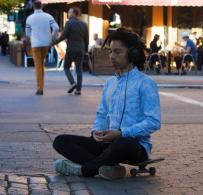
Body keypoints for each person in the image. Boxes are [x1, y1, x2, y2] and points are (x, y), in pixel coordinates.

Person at [53, 28, 161, 180]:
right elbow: (102, 114)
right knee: (61, 141)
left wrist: (122, 133)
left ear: (132, 54)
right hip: (107, 144)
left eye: (117, 52)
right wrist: (96, 132)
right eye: (110, 52)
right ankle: (107, 168)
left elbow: (153, 122)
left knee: (122, 143)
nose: (112, 56)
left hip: (133, 147)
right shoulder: (109, 83)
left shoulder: (146, 83)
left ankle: (84, 170)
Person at [52, 7, 89, 95]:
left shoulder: (69, 23)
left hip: (71, 49)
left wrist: (54, 42)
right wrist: (86, 50)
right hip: (81, 49)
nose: (68, 14)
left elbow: (63, 36)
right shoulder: (84, 24)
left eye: (69, 12)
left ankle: (72, 83)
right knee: (79, 69)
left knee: (66, 67)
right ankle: (78, 90)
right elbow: (86, 39)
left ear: (75, 14)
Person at [25, 0, 59, 95]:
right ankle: (41, 86)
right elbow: (56, 28)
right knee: (41, 65)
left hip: (35, 44)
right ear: (42, 7)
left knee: (38, 66)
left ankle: (40, 88)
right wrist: (52, 37)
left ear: (33, 7)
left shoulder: (30, 18)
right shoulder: (48, 17)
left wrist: (32, 37)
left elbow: (27, 34)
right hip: (46, 44)